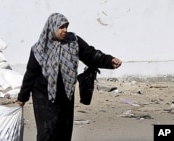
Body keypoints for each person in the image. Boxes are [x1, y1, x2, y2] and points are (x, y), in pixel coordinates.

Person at [16, 13, 122, 141]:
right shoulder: (39, 49)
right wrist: (23, 97)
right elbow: (30, 74)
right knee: (47, 131)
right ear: (52, 27)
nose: (65, 30)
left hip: (66, 95)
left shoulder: (73, 42)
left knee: (64, 131)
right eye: (61, 27)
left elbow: (90, 54)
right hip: (44, 96)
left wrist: (109, 61)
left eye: (66, 26)